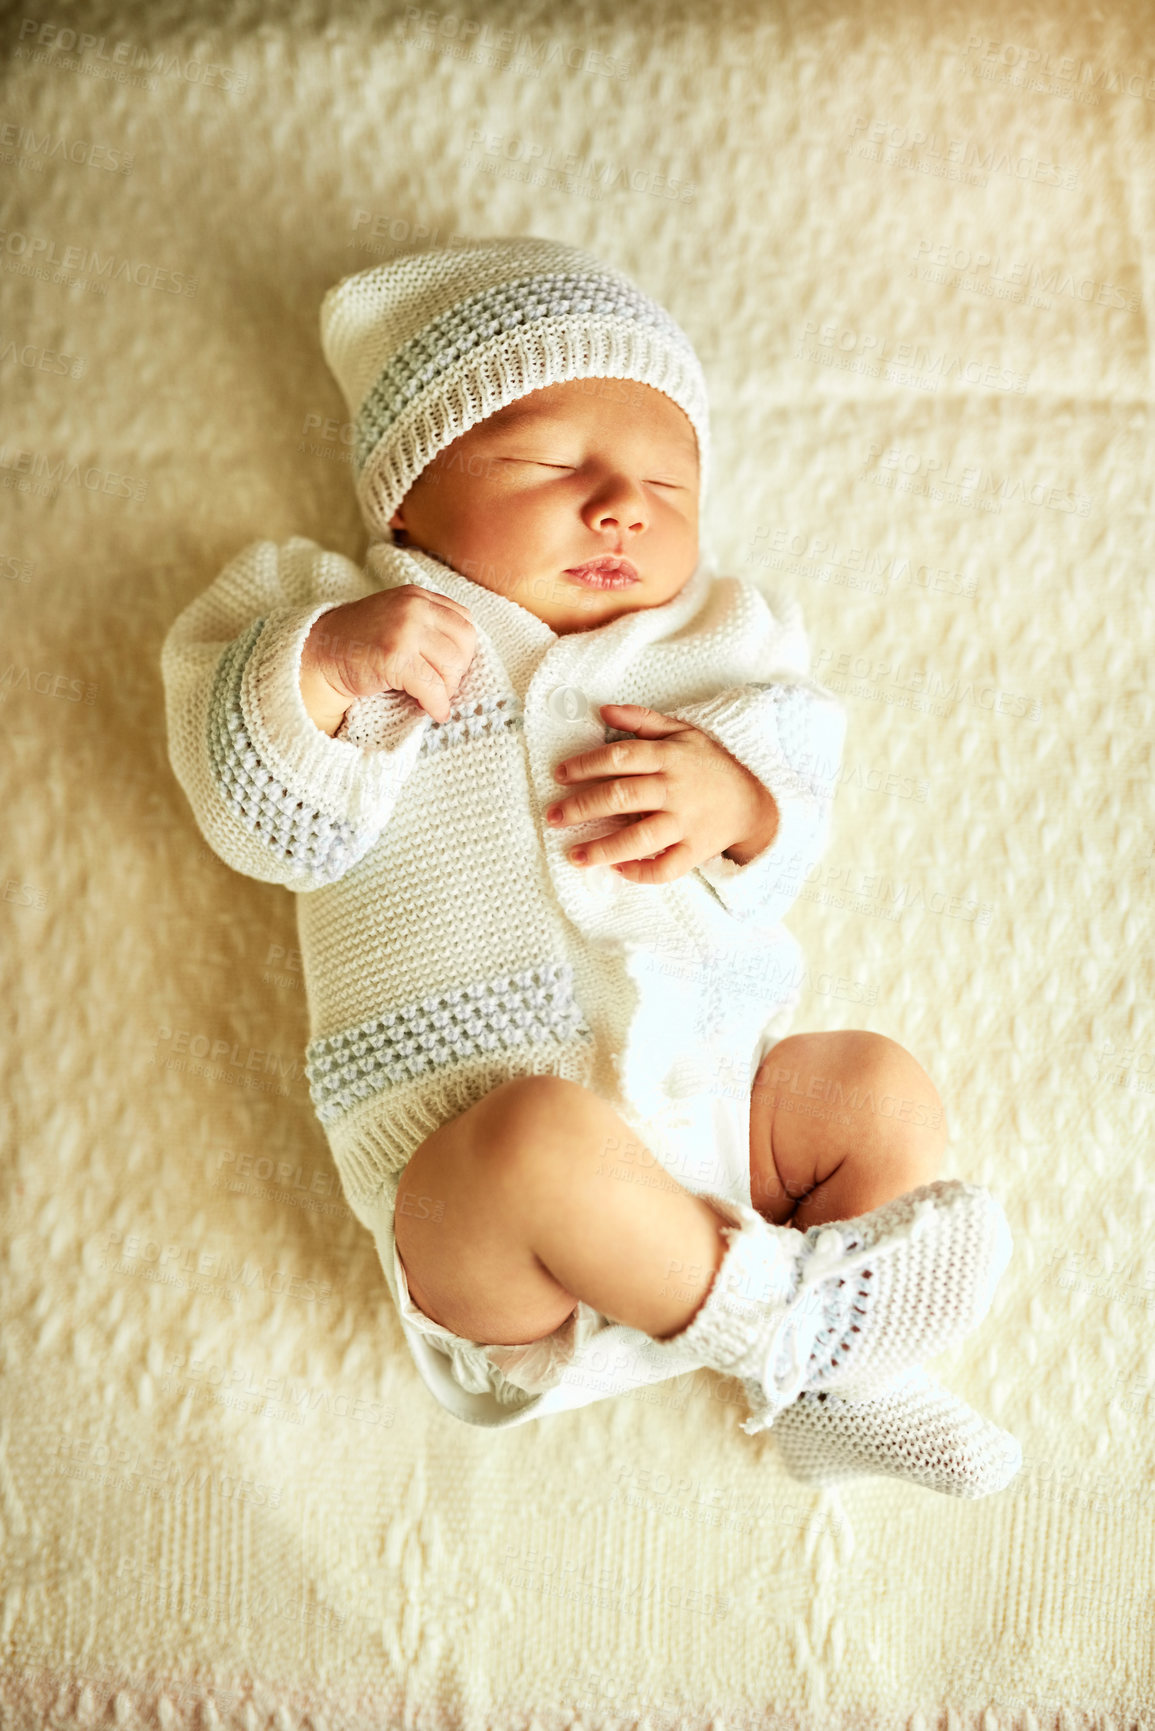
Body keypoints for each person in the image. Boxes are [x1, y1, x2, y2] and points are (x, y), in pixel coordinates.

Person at [161, 235, 1021, 1497]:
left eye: (668, 486)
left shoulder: (717, 638)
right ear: (407, 495)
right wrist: (331, 665)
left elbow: (801, 789)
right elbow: (260, 818)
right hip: (480, 1197)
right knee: (536, 1139)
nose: (622, 505)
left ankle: (842, 1394)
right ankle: (786, 1335)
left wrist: (740, 795)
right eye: (551, 462)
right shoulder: (336, 614)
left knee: (874, 1091)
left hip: (723, 1120)